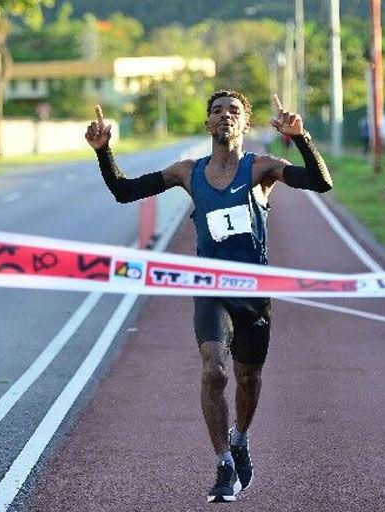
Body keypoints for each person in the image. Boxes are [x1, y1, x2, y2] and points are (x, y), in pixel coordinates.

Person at [85, 90, 333, 501]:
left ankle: (240, 437)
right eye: (216, 111)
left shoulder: (262, 169)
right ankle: (222, 463)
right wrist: (103, 151)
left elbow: (321, 183)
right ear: (207, 124)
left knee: (248, 377)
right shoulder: (188, 172)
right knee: (214, 370)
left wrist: (301, 139)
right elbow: (125, 191)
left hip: (254, 292)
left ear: (245, 123)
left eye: (233, 111)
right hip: (209, 288)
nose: (224, 117)